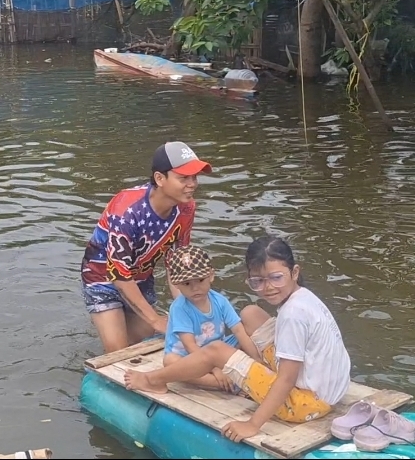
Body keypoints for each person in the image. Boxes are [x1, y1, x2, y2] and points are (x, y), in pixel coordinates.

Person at [124, 236, 352, 443]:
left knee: (216, 349)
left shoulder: (293, 315)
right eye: (258, 281)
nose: (268, 288)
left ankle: (153, 380)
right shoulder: (304, 298)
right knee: (251, 313)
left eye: (276, 278)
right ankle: (226, 374)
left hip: (306, 403)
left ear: (294, 272)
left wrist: (252, 425)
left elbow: (286, 380)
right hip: (330, 391)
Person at [81, 141, 212, 353]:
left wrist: (189, 309)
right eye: (183, 178)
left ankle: (116, 320)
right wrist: (155, 320)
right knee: (118, 351)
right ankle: (106, 316)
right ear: (160, 178)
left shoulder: (186, 208)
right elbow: (119, 275)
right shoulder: (126, 210)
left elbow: (176, 264)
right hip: (103, 279)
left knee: (143, 339)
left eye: (194, 177)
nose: (192, 184)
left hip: (140, 277)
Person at [163, 244, 262, 391]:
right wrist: (215, 367)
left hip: (216, 349)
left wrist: (257, 359)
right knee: (170, 361)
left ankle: (249, 370)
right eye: (187, 283)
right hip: (189, 356)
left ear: (211, 276)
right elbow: (190, 346)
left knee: (247, 333)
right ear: (177, 284)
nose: (195, 288)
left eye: (200, 280)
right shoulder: (179, 308)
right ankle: (223, 383)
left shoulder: (219, 301)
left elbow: (239, 331)